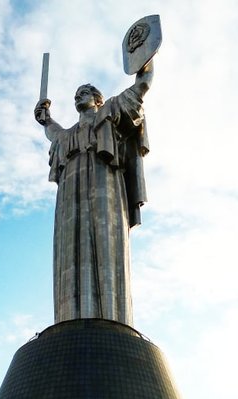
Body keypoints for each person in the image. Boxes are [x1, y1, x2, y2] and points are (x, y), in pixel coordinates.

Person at [34, 62, 154, 326]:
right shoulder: (67, 137)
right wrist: (46, 117)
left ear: (98, 100)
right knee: (71, 248)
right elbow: (51, 131)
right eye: (76, 94)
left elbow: (141, 87)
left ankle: (111, 318)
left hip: (105, 186)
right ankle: (72, 320)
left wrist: (144, 57)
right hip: (70, 197)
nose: (78, 96)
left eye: (84, 92)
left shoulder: (110, 112)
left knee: (105, 241)